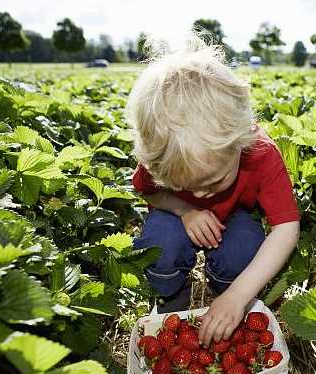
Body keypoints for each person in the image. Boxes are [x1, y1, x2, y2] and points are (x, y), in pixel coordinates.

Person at [126, 32, 301, 347]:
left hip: (234, 218)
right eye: (186, 186)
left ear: (238, 144)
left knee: (245, 245)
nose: (203, 195)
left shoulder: (260, 153)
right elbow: (146, 190)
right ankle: (171, 300)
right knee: (158, 242)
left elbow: (286, 227)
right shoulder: (164, 151)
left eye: (214, 181)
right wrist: (184, 209)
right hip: (176, 218)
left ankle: (224, 291)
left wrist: (238, 296)